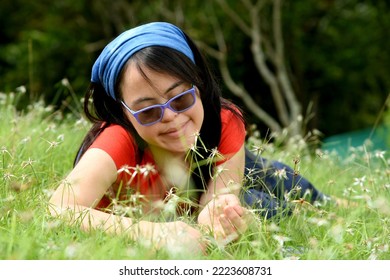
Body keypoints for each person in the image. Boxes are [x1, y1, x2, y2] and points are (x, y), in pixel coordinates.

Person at [49, 22, 330, 254]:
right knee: (262, 203)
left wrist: (218, 214)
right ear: (124, 113)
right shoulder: (117, 142)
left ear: (199, 85)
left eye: (181, 99)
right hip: (199, 175)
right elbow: (58, 209)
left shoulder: (222, 122)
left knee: (277, 183)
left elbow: (217, 202)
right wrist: (155, 232)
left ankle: (337, 204)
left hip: (218, 158)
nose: (171, 117)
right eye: (148, 111)